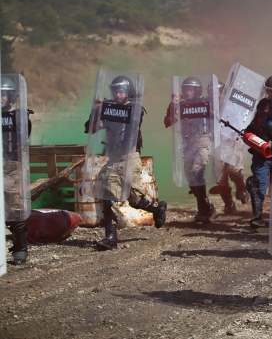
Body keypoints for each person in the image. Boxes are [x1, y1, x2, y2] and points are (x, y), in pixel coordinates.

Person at [86, 75, 167, 250]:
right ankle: (110, 237)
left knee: (136, 200)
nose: (117, 94)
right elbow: (90, 129)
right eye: (114, 91)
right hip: (113, 159)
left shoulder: (135, 110)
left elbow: (134, 119)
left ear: (127, 93)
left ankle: (158, 208)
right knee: (107, 198)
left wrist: (114, 106)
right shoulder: (108, 111)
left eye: (120, 91)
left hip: (130, 158)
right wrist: (96, 110)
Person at [164, 76, 218, 222]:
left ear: (197, 90)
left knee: (197, 171)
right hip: (188, 144)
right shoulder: (180, 106)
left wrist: (212, 112)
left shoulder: (206, 102)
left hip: (203, 139)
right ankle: (207, 206)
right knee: (191, 179)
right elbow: (168, 122)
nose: (187, 92)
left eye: (191, 89)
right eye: (185, 89)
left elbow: (218, 114)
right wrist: (173, 104)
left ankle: (202, 211)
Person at [207, 80, 249, 214]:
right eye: (210, 92)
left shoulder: (231, 105)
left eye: (216, 92)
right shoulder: (206, 106)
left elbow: (241, 120)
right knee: (220, 178)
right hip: (216, 144)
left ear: (221, 92)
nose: (213, 94)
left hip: (231, 142)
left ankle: (242, 188)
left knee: (233, 170)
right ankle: (229, 204)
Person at [2, 76, 31, 265]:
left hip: (12, 166)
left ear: (11, 96)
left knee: (14, 208)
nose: (0, 98)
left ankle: (20, 248)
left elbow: (24, 138)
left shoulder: (19, 117)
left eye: (3, 94)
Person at [243, 74, 272, 228]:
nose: (271, 94)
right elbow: (257, 122)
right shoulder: (263, 104)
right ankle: (257, 216)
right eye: (269, 91)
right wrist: (248, 131)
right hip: (261, 151)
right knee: (258, 181)